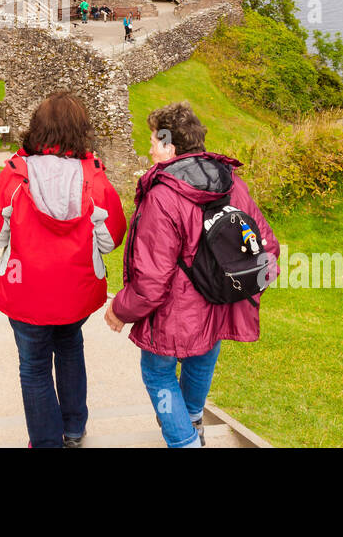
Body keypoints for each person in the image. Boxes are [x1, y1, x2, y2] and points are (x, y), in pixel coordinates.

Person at [104, 102, 280, 448]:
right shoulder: (231, 183)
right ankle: (193, 419)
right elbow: (268, 248)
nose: (149, 147)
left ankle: (186, 441)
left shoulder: (163, 196)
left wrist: (119, 310)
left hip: (174, 315)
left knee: (158, 375)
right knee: (202, 358)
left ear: (170, 146)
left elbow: (152, 282)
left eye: (154, 140)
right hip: (219, 304)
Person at [0, 92, 126, 448]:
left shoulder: (15, 176)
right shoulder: (96, 181)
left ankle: (46, 441)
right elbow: (112, 238)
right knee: (71, 348)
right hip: (75, 292)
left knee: (34, 366)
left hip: (25, 291)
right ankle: (73, 429)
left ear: (37, 129)